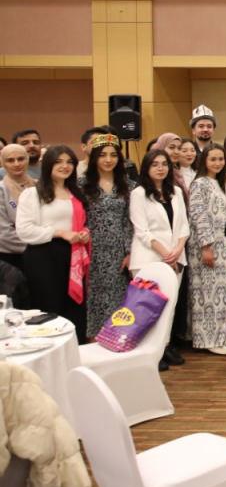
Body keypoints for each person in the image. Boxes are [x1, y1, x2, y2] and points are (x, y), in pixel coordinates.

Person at [16, 145, 89, 341]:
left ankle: (75, 350)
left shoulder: (76, 193)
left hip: (73, 255)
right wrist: (60, 233)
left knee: (74, 308)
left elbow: (83, 223)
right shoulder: (33, 193)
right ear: (48, 164)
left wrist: (84, 233)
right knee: (49, 308)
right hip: (43, 257)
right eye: (58, 162)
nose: (65, 166)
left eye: (69, 162)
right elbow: (24, 230)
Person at [129, 148, 190, 364]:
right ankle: (149, 352)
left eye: (164, 164)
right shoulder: (139, 194)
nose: (160, 168)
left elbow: (183, 226)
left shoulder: (176, 192)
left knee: (169, 307)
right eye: (155, 164)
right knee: (149, 307)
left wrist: (178, 249)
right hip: (149, 258)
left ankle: (164, 346)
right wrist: (166, 253)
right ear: (146, 168)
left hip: (175, 256)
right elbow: (142, 231)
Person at [79, 132, 135, 340]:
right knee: (93, 296)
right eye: (103, 155)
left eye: (113, 155)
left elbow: (130, 221)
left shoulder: (129, 185)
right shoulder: (81, 185)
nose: (108, 159)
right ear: (94, 157)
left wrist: (129, 251)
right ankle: (93, 340)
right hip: (91, 249)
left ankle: (116, 338)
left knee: (118, 296)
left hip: (118, 251)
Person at [185, 144, 226, 355]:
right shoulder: (199, 184)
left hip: (221, 243)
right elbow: (199, 215)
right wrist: (206, 246)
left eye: (220, 159)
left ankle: (220, 336)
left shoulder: (217, 183)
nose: (217, 163)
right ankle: (208, 339)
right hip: (206, 245)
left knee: (220, 292)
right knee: (207, 293)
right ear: (204, 160)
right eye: (213, 159)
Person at [1, 144, 33, 272]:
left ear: (27, 159)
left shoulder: (39, 186)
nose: (16, 164)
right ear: (3, 163)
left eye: (21, 159)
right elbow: (3, 234)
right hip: (10, 258)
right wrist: (37, 243)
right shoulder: (1, 190)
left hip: (39, 254)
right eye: (10, 160)